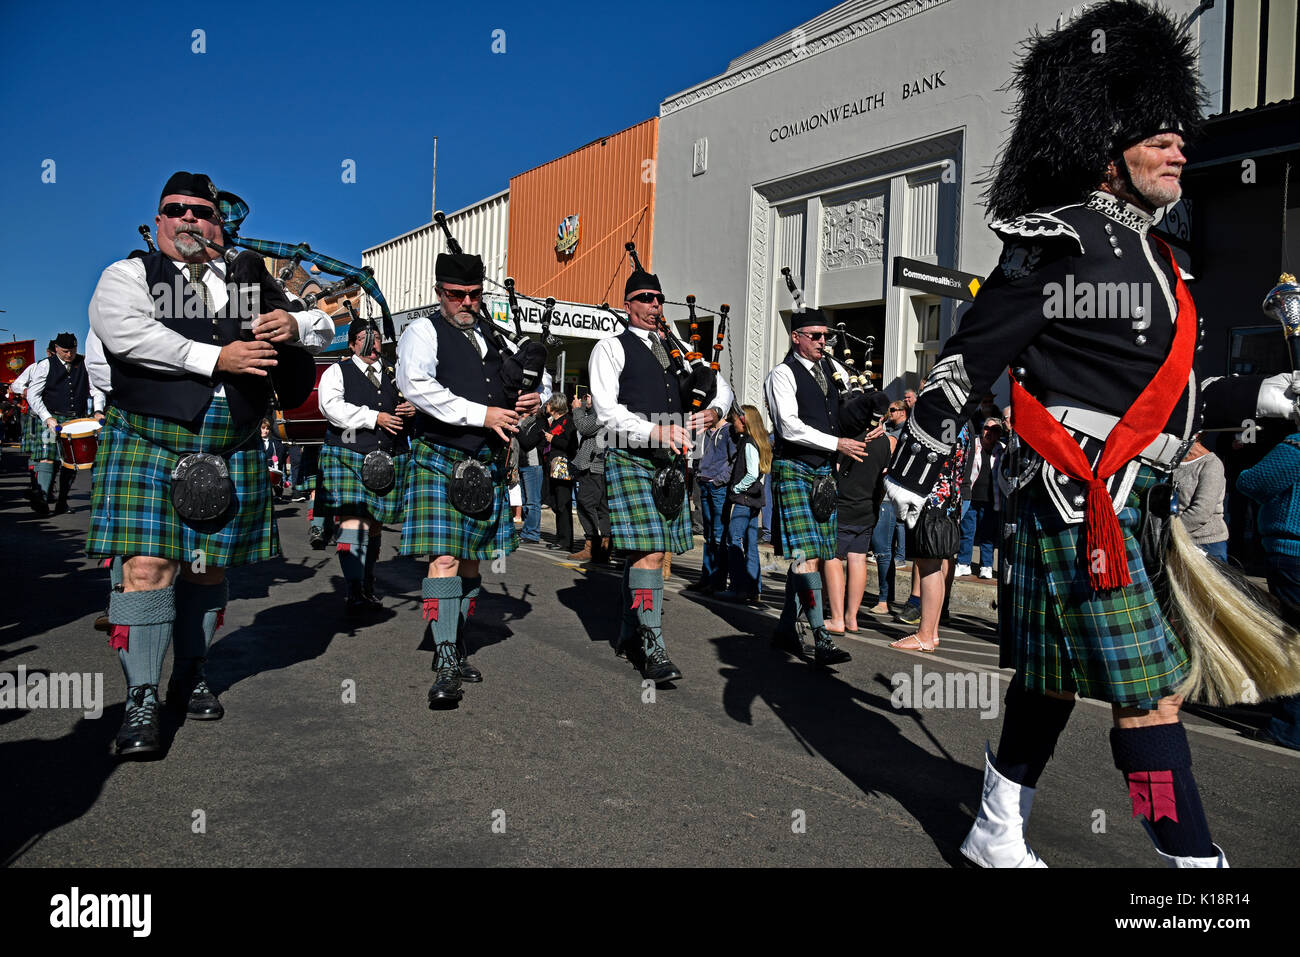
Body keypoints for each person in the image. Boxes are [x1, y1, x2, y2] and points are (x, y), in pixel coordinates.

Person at [880, 2, 1296, 867]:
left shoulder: (1164, 260)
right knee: (1149, 699)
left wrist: (1262, 394)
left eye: (1180, 133)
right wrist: (919, 456)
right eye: (1159, 134)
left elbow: (1168, 393)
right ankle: (1195, 868)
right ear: (1108, 150)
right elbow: (969, 356)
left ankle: (995, 826)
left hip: (1135, 502)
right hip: (1075, 500)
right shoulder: (1057, 240)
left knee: (1048, 681)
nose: (1180, 146)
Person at [88, 170, 334, 757]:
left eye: (202, 211)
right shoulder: (130, 276)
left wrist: (295, 323)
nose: (189, 219)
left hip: (232, 444)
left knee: (207, 571)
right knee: (147, 569)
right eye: (176, 210)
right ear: (159, 221)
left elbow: (325, 323)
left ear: (218, 224)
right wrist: (216, 358)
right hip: (153, 439)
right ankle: (142, 696)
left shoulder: (245, 278)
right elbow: (123, 334)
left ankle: (190, 671)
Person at [396, 250, 541, 707]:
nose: (466, 303)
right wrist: (482, 413)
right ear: (439, 293)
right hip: (439, 455)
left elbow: (518, 387)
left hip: (487, 463)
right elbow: (414, 384)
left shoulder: (494, 338)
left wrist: (526, 401)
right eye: (456, 295)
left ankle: (456, 642)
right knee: (445, 560)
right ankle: (444, 660)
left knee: (474, 560)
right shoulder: (423, 330)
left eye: (474, 295)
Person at [589, 265, 733, 685]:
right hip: (631, 457)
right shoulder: (611, 348)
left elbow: (719, 383)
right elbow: (606, 410)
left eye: (658, 299)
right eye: (645, 299)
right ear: (628, 305)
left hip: (670, 464)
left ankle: (631, 631)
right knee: (650, 551)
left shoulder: (679, 351)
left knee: (643, 553)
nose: (654, 306)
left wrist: (715, 410)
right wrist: (654, 430)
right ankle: (652, 644)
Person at [764, 309, 866, 667]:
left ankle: (786, 629)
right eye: (817, 336)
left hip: (823, 472)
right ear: (796, 337)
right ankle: (821, 635)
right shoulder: (782, 374)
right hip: (794, 467)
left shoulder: (828, 372)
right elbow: (789, 427)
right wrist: (836, 444)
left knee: (816, 554)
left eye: (827, 337)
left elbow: (839, 416)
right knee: (806, 556)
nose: (824, 342)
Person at [316, 320, 414, 614]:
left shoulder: (395, 373)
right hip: (348, 454)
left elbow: (418, 400)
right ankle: (354, 589)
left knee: (373, 523)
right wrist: (374, 418)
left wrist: (413, 407)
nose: (373, 345)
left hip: (388, 456)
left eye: (377, 339)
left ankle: (367, 582)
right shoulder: (338, 371)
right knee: (352, 520)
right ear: (352, 344)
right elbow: (330, 408)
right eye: (364, 339)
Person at [1236, 433, 1300, 751]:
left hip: (1293, 554)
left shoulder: (1297, 445)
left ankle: (1292, 728)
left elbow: (1254, 482)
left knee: (1293, 639)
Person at [824, 419, 891, 634]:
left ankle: (836, 618)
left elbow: (835, 467)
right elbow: (884, 477)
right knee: (858, 558)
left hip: (845, 504)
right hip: (867, 506)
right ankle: (851, 617)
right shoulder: (884, 443)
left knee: (833, 558)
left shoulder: (850, 438)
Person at [25, 332, 97, 515]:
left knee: (70, 461)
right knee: (46, 456)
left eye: (72, 350)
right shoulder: (45, 365)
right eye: (65, 351)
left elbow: (96, 388)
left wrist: (97, 410)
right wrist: (46, 417)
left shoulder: (85, 363)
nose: (69, 355)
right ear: (56, 349)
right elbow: (33, 395)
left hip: (76, 419)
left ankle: (62, 502)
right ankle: (41, 498)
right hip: (52, 417)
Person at [716, 404, 770, 606]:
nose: (733, 423)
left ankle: (738, 588)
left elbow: (752, 474)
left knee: (733, 539)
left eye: (736, 420)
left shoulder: (748, 443)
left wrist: (737, 488)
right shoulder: (757, 441)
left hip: (744, 499)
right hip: (753, 499)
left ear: (744, 421)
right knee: (750, 543)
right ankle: (754, 589)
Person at [686, 415, 735, 594]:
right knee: (708, 534)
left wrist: (720, 480)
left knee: (718, 534)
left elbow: (734, 460)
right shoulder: (706, 432)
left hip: (718, 487)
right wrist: (699, 475)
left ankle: (717, 580)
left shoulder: (729, 431)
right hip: (704, 484)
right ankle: (706, 577)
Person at [955, 417, 1005, 578]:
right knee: (967, 532)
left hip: (991, 499)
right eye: (986, 428)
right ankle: (963, 563)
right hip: (971, 496)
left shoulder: (1002, 450)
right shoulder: (973, 445)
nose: (989, 432)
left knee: (988, 534)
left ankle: (986, 566)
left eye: (994, 430)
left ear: (999, 434)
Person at [1172, 435, 1229, 562]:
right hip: (1174, 542)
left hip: (1205, 545)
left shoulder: (1211, 464)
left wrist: (1168, 531)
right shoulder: (1170, 460)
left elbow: (1201, 511)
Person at [570, 392, 612, 563]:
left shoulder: (603, 412)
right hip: (599, 464)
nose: (588, 398)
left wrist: (578, 410)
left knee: (586, 504)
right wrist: (589, 407)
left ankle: (592, 546)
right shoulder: (605, 410)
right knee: (602, 507)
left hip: (594, 465)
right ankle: (604, 547)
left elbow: (584, 427)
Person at [543, 393, 577, 552]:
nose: (547, 406)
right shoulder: (554, 421)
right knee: (556, 504)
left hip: (563, 467)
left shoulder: (568, 421)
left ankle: (565, 541)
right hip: (553, 466)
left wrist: (552, 439)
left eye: (549, 403)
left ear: (556, 405)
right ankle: (560, 537)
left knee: (563, 504)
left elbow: (570, 445)